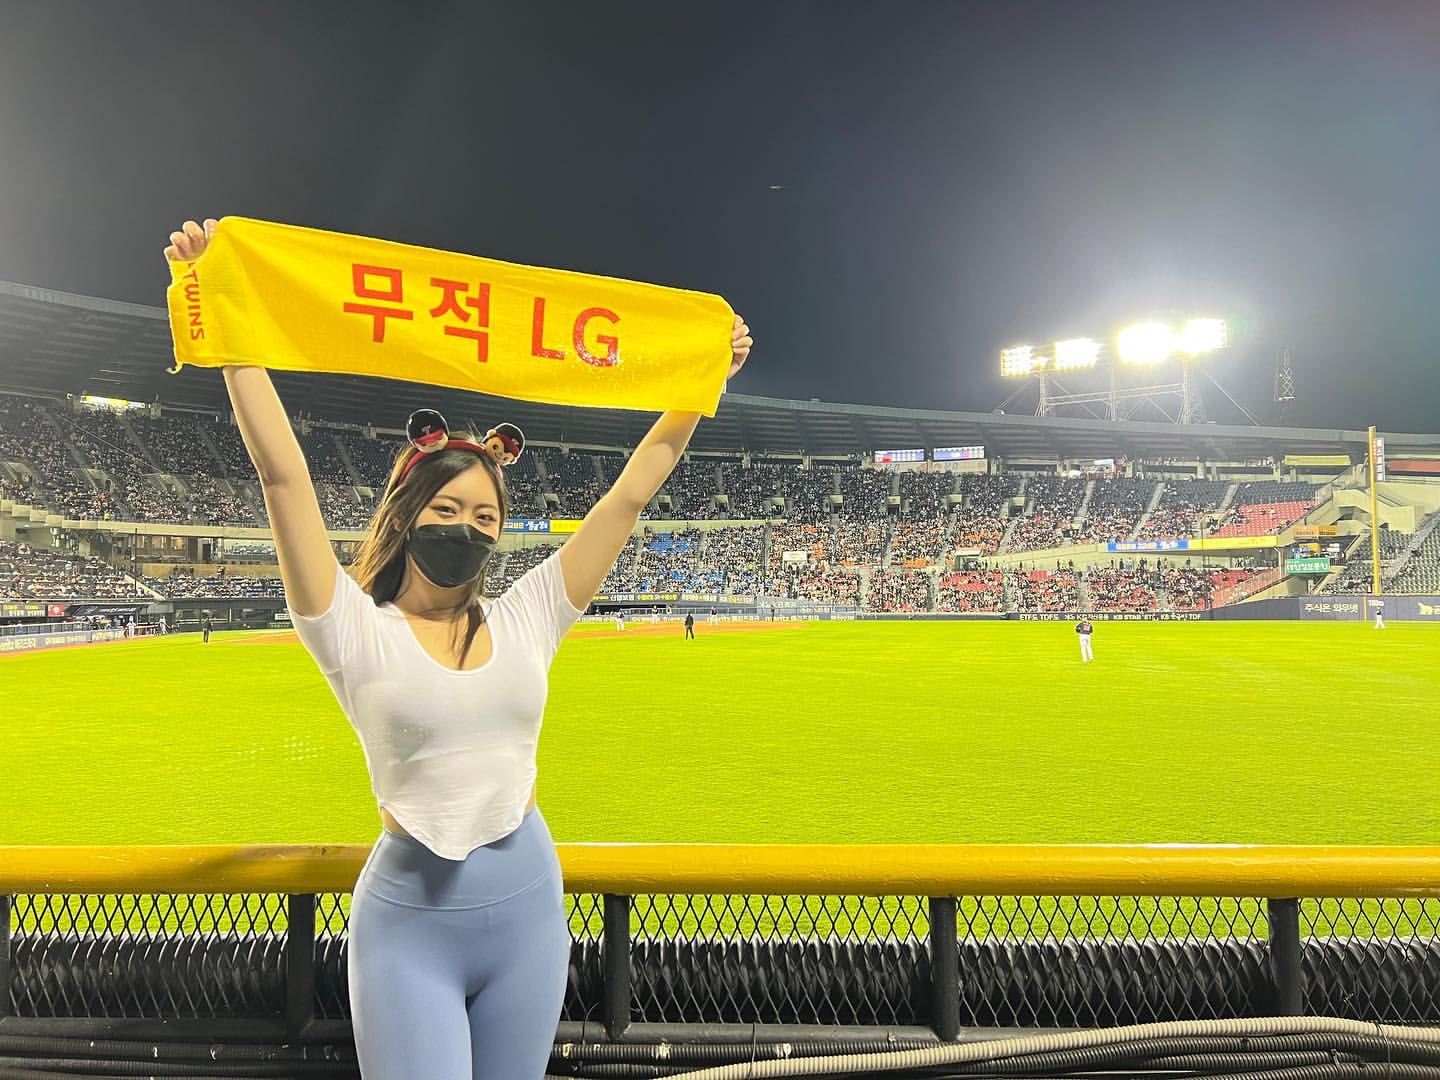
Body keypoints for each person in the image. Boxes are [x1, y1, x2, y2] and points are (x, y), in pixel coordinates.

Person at [164, 213, 754, 1080]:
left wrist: (699, 381)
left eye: (485, 516)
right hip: (408, 926)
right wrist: (223, 315)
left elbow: (628, 497)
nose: (467, 528)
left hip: (530, 910)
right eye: (446, 509)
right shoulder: (349, 627)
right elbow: (282, 475)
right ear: (408, 515)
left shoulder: (528, 615)